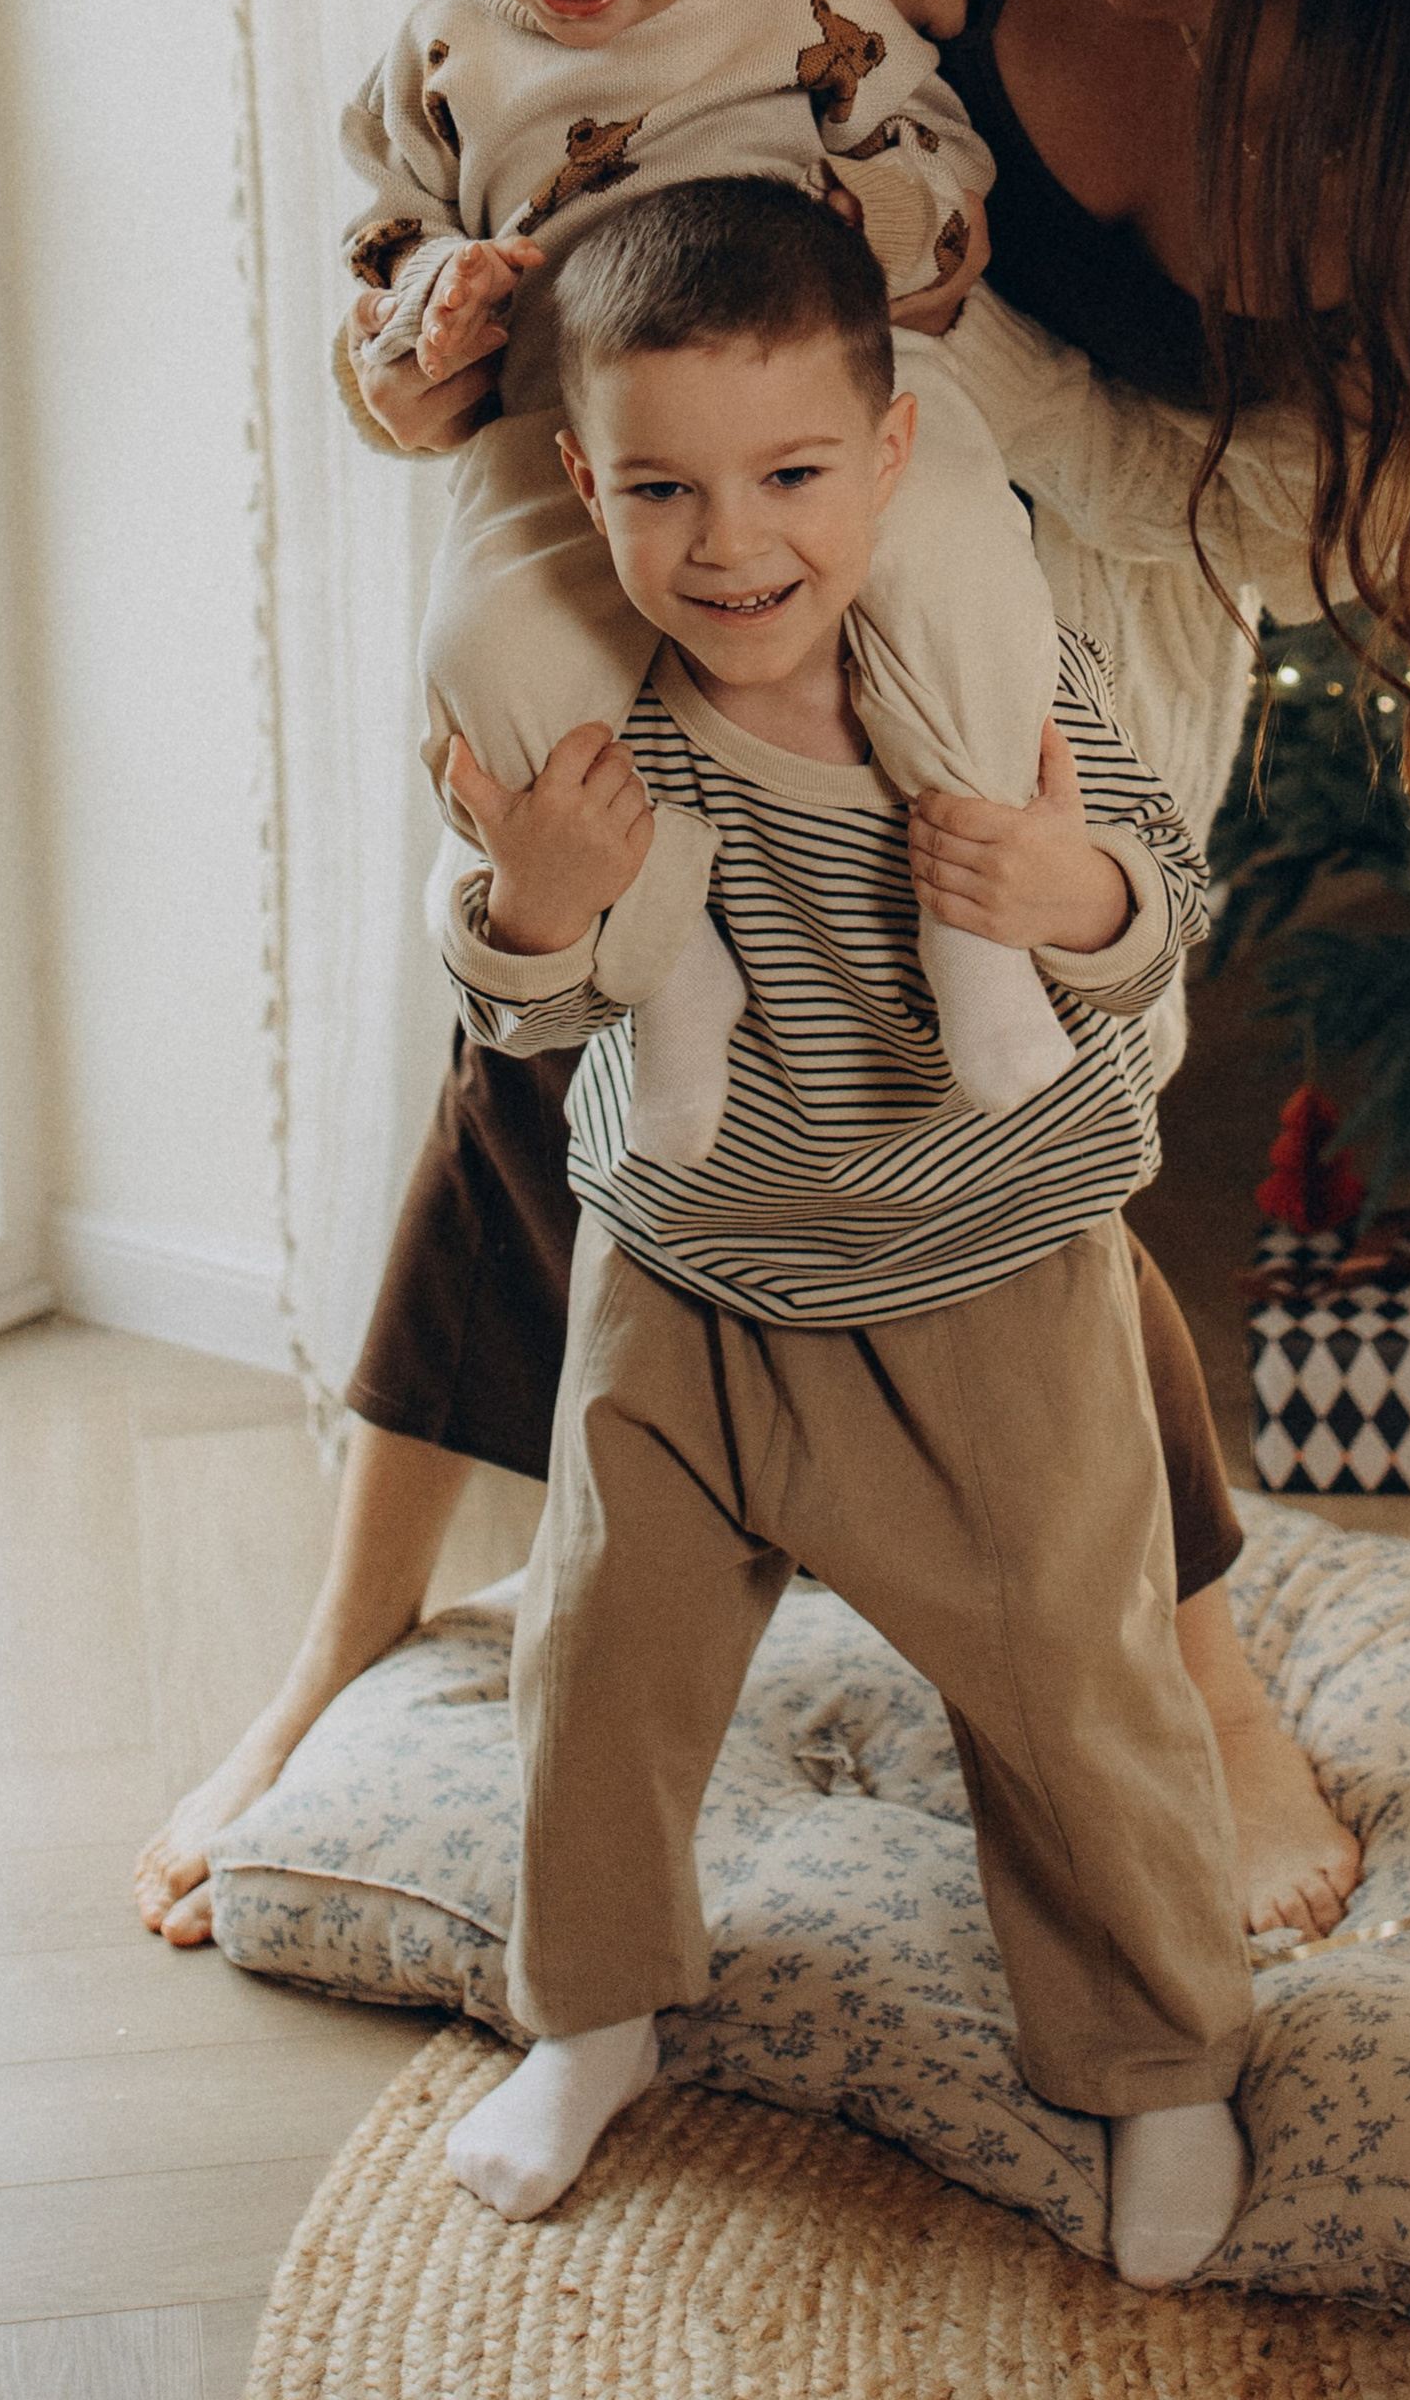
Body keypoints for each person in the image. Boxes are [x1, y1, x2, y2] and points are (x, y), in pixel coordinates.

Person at [134, 0, 1410, 1956]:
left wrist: (959, 439)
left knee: (1023, 1143)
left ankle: (1201, 1679)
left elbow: (1296, 537)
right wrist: (516, 371)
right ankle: (344, 1635)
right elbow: (688, 185)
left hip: (1082, 608)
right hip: (769, 507)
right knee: (558, 1018)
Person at [431, 179, 1252, 2281]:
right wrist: (533, 900)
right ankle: (593, 2016)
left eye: (790, 475)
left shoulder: (987, 665)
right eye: (663, 491)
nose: (731, 545)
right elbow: (521, 1012)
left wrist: (1065, 892)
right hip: (685, 1269)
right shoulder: (579, 716)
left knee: (1069, 1681)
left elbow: (1158, 909)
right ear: (580, 485)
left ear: (891, 457)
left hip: (984, 1267)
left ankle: (1158, 2060)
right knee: (595, 1659)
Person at [348, 0, 1084, 1153]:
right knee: (486, 658)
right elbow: (385, 233)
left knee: (968, 564)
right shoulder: (446, 53)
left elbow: (944, 170)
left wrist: (859, 216)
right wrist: (431, 296)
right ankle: (671, 969)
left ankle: (976, 920)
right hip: (571, 429)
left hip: (818, 398)